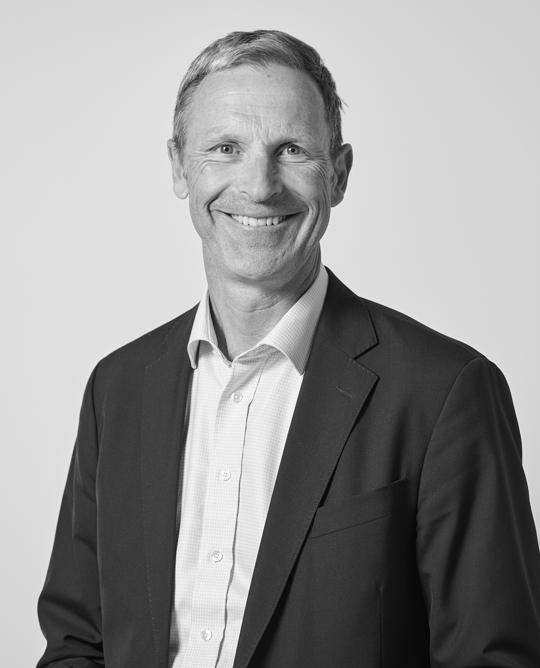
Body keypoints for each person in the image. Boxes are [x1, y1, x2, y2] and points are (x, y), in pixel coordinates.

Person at [37, 29, 540, 668]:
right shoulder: (118, 387)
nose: (259, 186)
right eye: (225, 148)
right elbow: (77, 643)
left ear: (339, 174)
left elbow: (493, 657)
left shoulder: (444, 391)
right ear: (179, 167)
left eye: (292, 150)